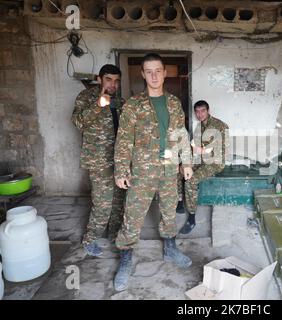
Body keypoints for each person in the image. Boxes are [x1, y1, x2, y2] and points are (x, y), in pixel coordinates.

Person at [113, 53, 193, 291]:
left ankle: (170, 250)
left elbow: (181, 135)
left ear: (164, 72)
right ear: (143, 74)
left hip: (169, 170)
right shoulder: (134, 105)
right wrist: (121, 171)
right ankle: (125, 260)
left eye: (158, 70)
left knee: (169, 212)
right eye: (149, 71)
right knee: (133, 215)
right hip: (142, 172)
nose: (154, 75)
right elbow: (124, 140)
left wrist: (186, 163)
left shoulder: (174, 103)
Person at [71, 64, 126, 257]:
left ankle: (113, 236)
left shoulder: (120, 101)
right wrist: (98, 105)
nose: (113, 84)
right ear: (100, 79)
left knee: (119, 203)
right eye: (109, 79)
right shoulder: (86, 97)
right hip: (98, 162)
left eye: (117, 80)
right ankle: (89, 240)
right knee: (102, 204)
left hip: (119, 161)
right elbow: (78, 122)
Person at [178, 100, 229, 234]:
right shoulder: (199, 127)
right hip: (202, 159)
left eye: (202, 111)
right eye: (197, 111)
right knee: (179, 170)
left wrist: (194, 150)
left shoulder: (219, 126)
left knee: (191, 181)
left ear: (208, 110)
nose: (200, 114)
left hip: (215, 162)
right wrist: (185, 163)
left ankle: (192, 218)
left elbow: (205, 150)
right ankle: (179, 201)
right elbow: (194, 147)